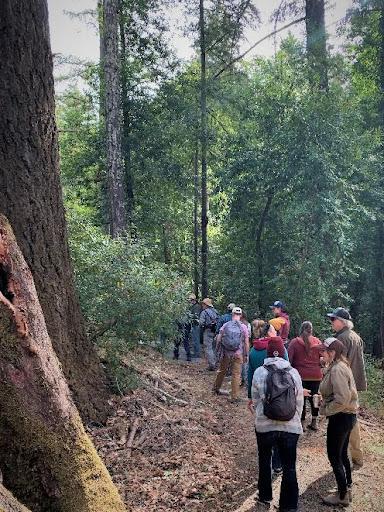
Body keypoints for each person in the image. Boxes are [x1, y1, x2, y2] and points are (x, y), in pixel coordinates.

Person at [251, 337, 304, 512]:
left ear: (267, 353)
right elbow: (299, 402)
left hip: (265, 427)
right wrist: (294, 418)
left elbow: (256, 399)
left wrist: (261, 416)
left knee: (265, 460)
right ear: (284, 352)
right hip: (290, 427)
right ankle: (289, 506)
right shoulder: (294, 372)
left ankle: (265, 496)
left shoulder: (260, 371)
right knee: (289, 466)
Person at [319, 337, 358, 506]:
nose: (321, 353)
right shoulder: (337, 366)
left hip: (341, 417)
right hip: (346, 416)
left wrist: (325, 410)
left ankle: (342, 496)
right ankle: (347, 487)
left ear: (332, 353)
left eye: (324, 351)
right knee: (341, 453)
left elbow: (342, 399)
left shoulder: (337, 370)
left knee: (334, 455)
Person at [327, 307, 367, 468]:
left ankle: (343, 458)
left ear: (341, 322)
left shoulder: (342, 338)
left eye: (333, 319)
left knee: (344, 419)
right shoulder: (355, 336)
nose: (331, 322)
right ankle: (356, 456)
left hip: (344, 383)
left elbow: (335, 363)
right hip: (353, 382)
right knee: (352, 418)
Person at [247, 323, 289, 475]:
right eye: (274, 329)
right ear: (270, 332)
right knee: (278, 427)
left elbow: (250, 374)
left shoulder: (253, 350)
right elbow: (287, 369)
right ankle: (277, 464)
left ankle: (267, 465)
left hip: (260, 395)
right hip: (278, 395)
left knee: (264, 428)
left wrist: (250, 397)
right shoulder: (278, 349)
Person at [288, 321, 322, 431]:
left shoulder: (294, 342)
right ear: (311, 330)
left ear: (301, 329)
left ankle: (301, 423)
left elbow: (289, 360)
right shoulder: (317, 341)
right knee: (315, 398)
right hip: (316, 375)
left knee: (301, 398)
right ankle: (314, 421)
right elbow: (322, 359)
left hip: (300, 376)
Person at [213, 307, 249, 402]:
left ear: (232, 314)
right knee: (236, 374)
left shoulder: (225, 325)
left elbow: (219, 339)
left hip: (226, 353)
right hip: (238, 354)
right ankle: (234, 397)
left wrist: (218, 351)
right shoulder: (244, 327)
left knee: (222, 370)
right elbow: (246, 342)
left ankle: (216, 388)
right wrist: (246, 354)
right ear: (241, 316)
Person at [199, 298, 219, 371]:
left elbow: (201, 323)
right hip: (216, 332)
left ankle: (212, 365)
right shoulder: (216, 312)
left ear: (206, 305)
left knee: (208, 348)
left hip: (207, 331)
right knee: (214, 348)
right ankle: (216, 363)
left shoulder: (204, 312)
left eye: (203, 304)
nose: (202, 305)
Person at [186, 294, 202, 358]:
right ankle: (196, 353)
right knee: (194, 339)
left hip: (196, 325)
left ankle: (197, 354)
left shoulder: (197, 306)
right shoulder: (193, 306)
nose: (189, 302)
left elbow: (196, 316)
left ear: (193, 300)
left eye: (190, 301)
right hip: (193, 324)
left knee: (196, 339)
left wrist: (189, 315)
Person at [240, 310, 251, 386]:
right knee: (245, 363)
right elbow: (249, 335)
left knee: (239, 363)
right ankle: (245, 380)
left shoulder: (237, 324)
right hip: (246, 344)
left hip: (239, 345)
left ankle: (242, 380)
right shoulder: (248, 324)